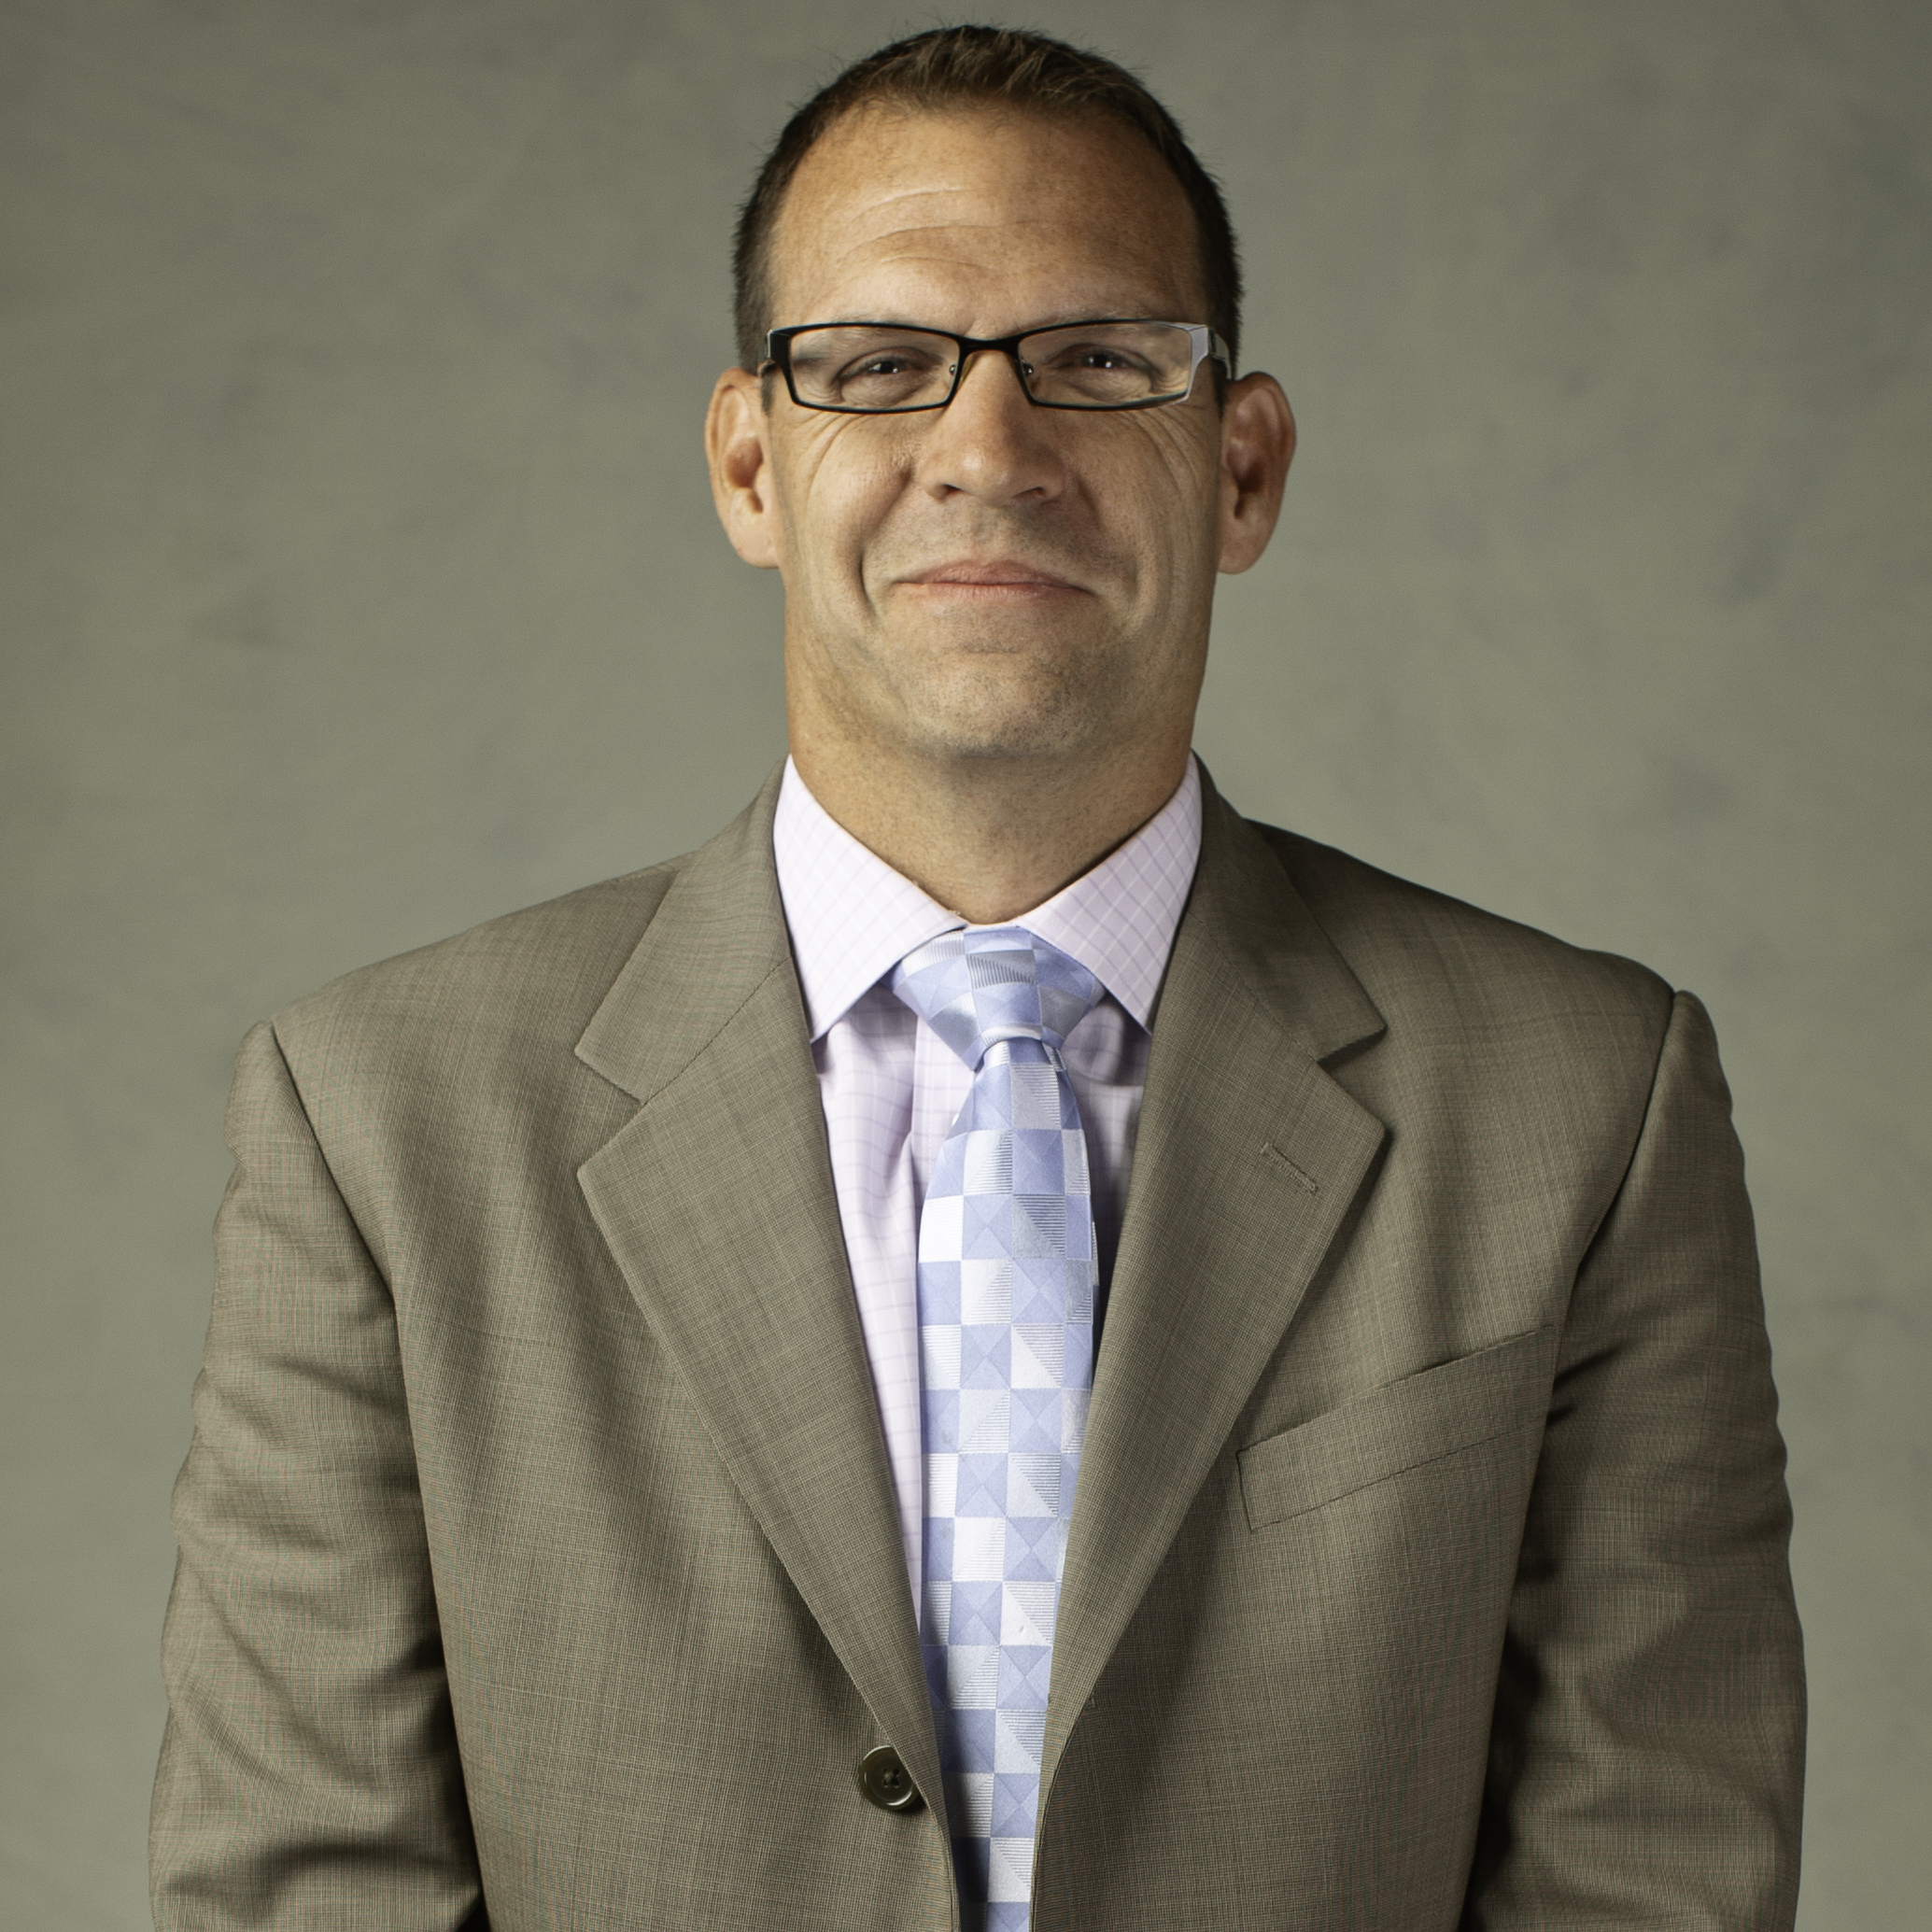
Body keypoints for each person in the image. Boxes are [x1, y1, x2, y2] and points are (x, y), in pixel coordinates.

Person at [150, 25, 1804, 1932]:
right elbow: (303, 1887)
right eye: (877, 366)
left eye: (1098, 363)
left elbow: (1650, 1871)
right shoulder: (380, 1120)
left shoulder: (1581, 1099)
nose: (989, 452)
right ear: (751, 465)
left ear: (1242, 466)